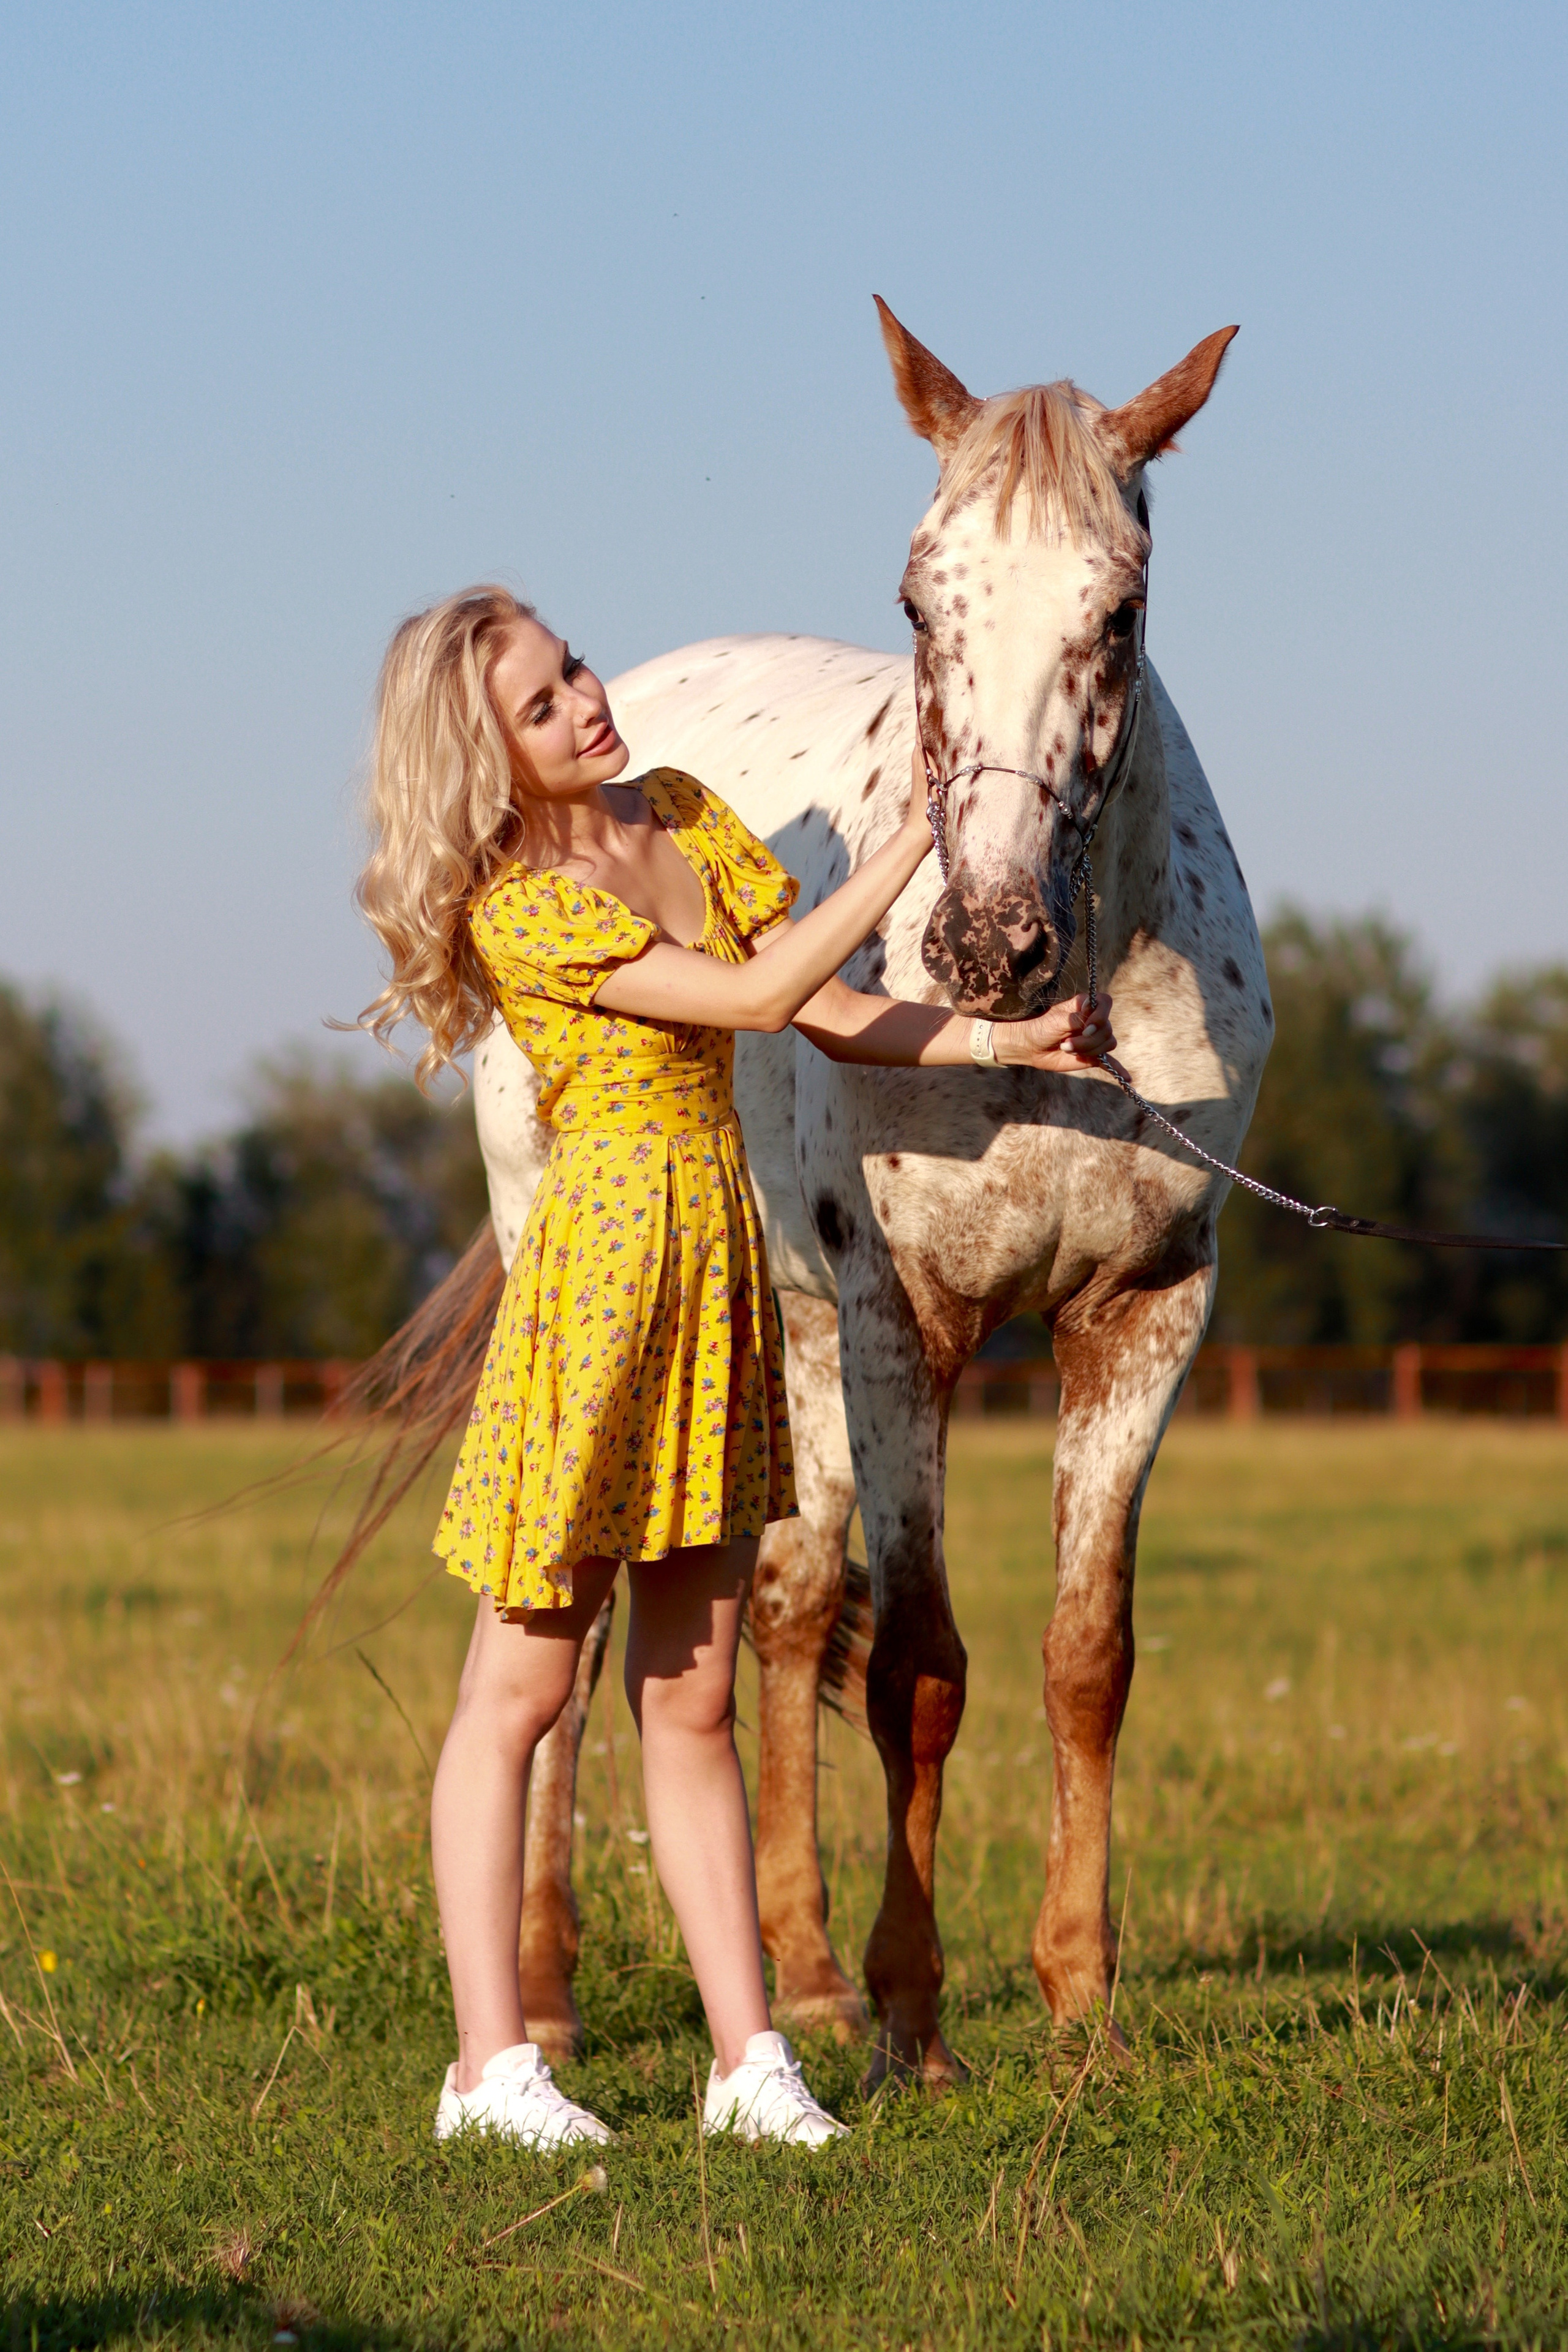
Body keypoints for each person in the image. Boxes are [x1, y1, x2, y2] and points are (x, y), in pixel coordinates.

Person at [354, 584, 1115, 2152]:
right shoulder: (524, 907)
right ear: (484, 760)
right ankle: (491, 2072)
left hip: (714, 1277)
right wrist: (916, 843)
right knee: (521, 1689)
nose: (585, 702)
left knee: (691, 1697)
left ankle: (745, 2063)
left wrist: (1002, 1045)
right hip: (599, 1290)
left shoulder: (684, 814)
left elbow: (829, 1016)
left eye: (572, 668)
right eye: (541, 706)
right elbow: (756, 997)